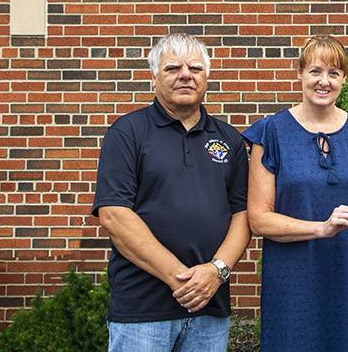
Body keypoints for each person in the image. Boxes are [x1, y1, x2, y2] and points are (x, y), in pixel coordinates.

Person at [92, 33, 251, 352]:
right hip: (143, 311)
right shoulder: (127, 134)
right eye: (172, 68)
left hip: (210, 308)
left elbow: (243, 214)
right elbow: (114, 215)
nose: (185, 74)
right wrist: (181, 278)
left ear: (206, 77)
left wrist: (216, 272)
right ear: (154, 78)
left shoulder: (230, 140)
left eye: (195, 67)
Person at [243, 35, 348, 352]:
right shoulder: (271, 133)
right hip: (292, 286)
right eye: (315, 71)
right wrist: (321, 228)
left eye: (334, 73)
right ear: (299, 74)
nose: (324, 81)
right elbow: (259, 219)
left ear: (344, 79)